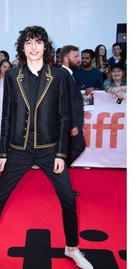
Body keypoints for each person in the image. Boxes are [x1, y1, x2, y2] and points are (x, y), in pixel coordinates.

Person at [0, 25, 93, 269]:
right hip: (18, 148)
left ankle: (71, 248)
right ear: (22, 46)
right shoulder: (12, 75)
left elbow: (63, 116)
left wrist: (62, 153)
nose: (33, 47)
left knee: (68, 200)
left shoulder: (59, 76)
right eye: (28, 42)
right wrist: (3, 153)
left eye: (38, 42)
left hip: (50, 148)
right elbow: (7, 115)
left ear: (45, 46)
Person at [60, 45, 86, 193]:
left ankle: (58, 173)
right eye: (75, 57)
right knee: (76, 147)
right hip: (70, 125)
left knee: (73, 150)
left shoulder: (69, 74)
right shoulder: (64, 75)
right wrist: (71, 125)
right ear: (66, 58)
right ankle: (58, 174)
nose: (79, 59)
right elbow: (64, 103)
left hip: (72, 124)